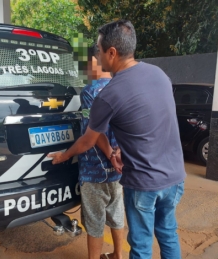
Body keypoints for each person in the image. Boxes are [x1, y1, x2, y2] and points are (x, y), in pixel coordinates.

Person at [48, 20, 186, 259]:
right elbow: (152, 122)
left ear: (112, 52)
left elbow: (89, 141)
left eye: (99, 51)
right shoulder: (159, 74)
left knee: (141, 245)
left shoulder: (109, 93)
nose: (97, 57)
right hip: (175, 178)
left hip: (144, 182)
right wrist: (121, 149)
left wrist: (64, 155)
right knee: (168, 233)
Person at [77, 45, 124, 259]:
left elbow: (94, 133)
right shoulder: (120, 86)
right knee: (116, 214)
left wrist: (109, 155)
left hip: (95, 169)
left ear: (93, 62)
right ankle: (118, 255)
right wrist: (117, 156)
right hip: (119, 168)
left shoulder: (90, 92)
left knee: (95, 221)